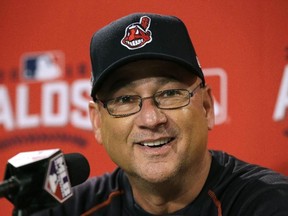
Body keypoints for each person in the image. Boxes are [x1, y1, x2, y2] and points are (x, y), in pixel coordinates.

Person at [34, 12, 288, 216]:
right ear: (97, 122)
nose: (151, 119)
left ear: (207, 107)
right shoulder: (67, 210)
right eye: (124, 99)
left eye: (169, 94)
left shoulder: (268, 203)